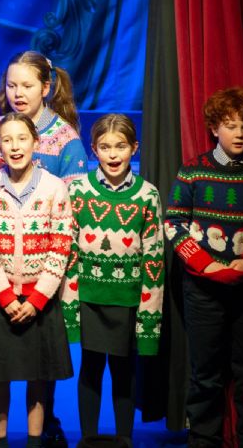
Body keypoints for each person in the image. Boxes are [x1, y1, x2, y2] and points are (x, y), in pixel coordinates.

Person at [0, 50, 87, 447]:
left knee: (40, 359)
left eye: (27, 85)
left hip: (42, 270)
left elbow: (71, 213)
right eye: (11, 85)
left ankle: (46, 421)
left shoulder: (65, 139)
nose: (18, 93)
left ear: (45, 87)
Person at [165, 87, 243, 447]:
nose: (239, 134)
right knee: (205, 375)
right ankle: (204, 440)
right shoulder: (194, 170)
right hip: (203, 290)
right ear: (214, 128)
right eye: (230, 126)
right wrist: (205, 264)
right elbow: (173, 222)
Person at [0, 113, 74, 448]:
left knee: (39, 377)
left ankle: (34, 440)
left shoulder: (55, 188)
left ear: (36, 143)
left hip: (39, 303)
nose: (15, 146)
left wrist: (37, 299)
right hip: (1, 301)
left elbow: (61, 246)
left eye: (22, 139)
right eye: (7, 140)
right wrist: (5, 297)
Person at [64, 114, 164, 445]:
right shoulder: (78, 191)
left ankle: (124, 439)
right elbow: (69, 253)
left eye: (120, 146)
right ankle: (88, 439)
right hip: (89, 298)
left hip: (128, 300)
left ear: (134, 148)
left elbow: (154, 257)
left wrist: (149, 317)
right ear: (93, 150)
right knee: (90, 368)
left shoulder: (147, 195)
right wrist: (70, 308)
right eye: (105, 147)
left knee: (124, 370)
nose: (113, 154)